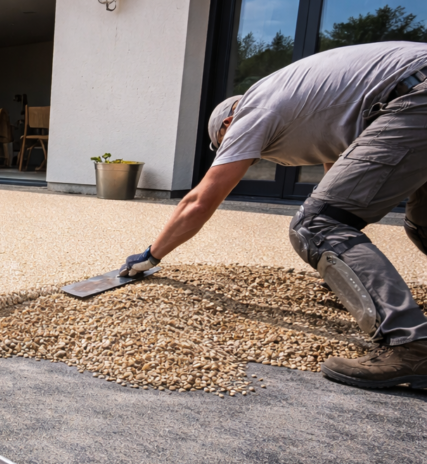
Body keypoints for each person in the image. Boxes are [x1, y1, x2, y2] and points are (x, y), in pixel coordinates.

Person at [120, 41, 427, 389]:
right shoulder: (302, 100)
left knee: (317, 225)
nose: (241, 155)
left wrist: (151, 255)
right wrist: (342, 273)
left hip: (414, 97)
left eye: (228, 143)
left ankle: (410, 344)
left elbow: (199, 202)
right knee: (423, 225)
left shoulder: (253, 109)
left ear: (229, 124)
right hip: (412, 92)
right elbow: (339, 183)